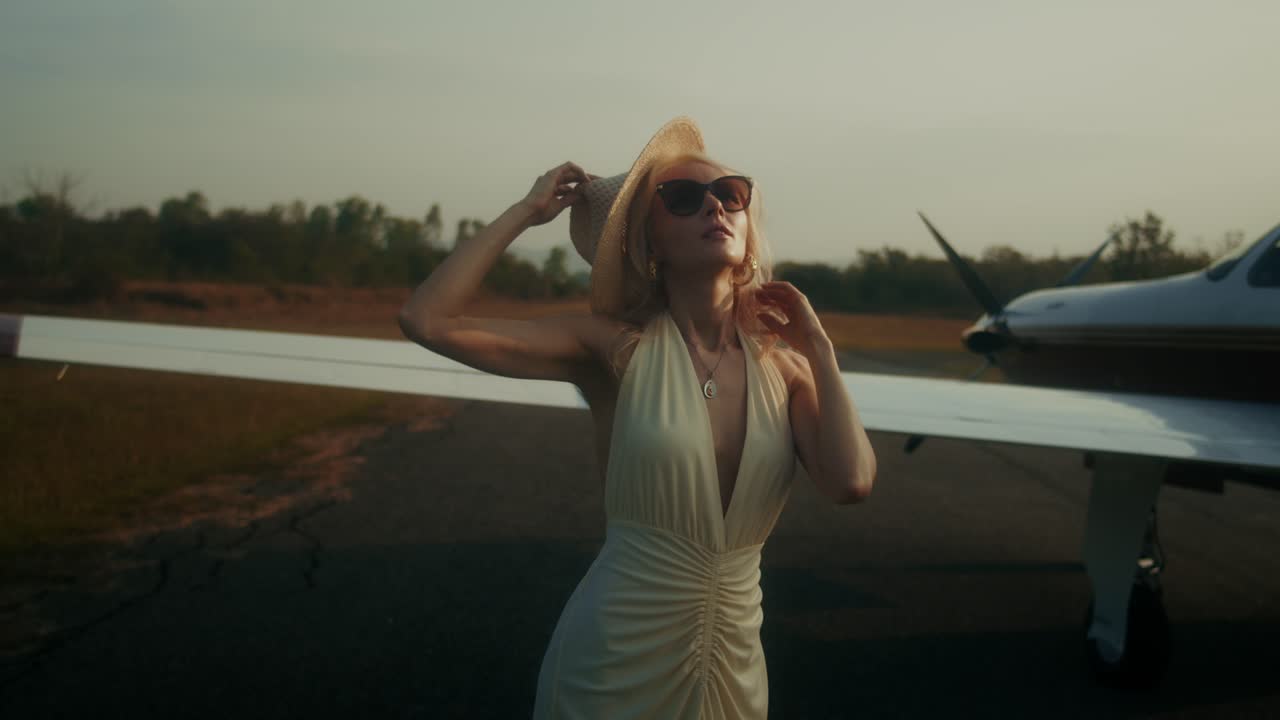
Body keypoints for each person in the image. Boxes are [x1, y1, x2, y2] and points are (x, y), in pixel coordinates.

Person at [398, 117, 876, 719]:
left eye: (731, 194)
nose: (715, 207)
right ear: (645, 242)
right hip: (615, 655)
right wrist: (526, 211)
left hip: (734, 660)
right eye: (683, 199)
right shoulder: (611, 349)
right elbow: (427, 322)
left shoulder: (789, 371)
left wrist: (820, 349)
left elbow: (851, 482)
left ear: (749, 225)